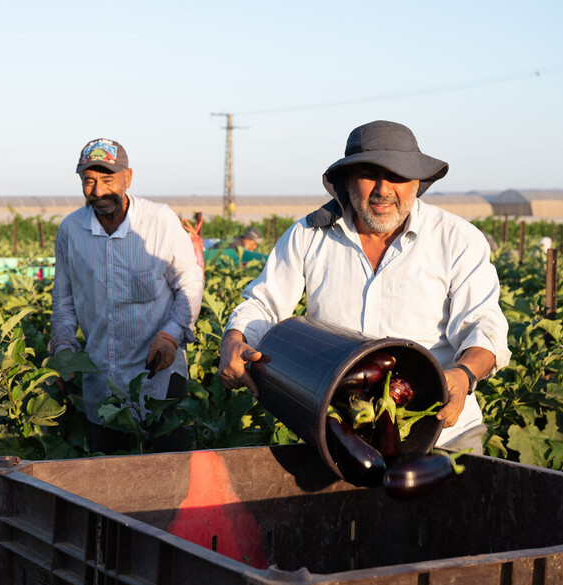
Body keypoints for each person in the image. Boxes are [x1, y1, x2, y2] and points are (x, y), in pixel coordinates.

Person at [218, 120, 511, 453]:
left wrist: (464, 374)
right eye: (369, 175)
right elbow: (263, 303)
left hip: (439, 432)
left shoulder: (457, 240)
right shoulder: (309, 235)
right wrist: (235, 338)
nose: (383, 190)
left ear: (416, 181)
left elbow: (483, 325)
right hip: (342, 435)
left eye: (397, 176)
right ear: (348, 180)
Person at [49, 138, 204, 453]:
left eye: (108, 180)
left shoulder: (159, 222)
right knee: (109, 476)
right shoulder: (71, 230)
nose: (98, 190)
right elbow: (63, 302)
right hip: (102, 391)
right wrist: (64, 347)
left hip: (159, 384)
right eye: (89, 181)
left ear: (127, 178)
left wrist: (172, 334)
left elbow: (190, 282)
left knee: (167, 472)